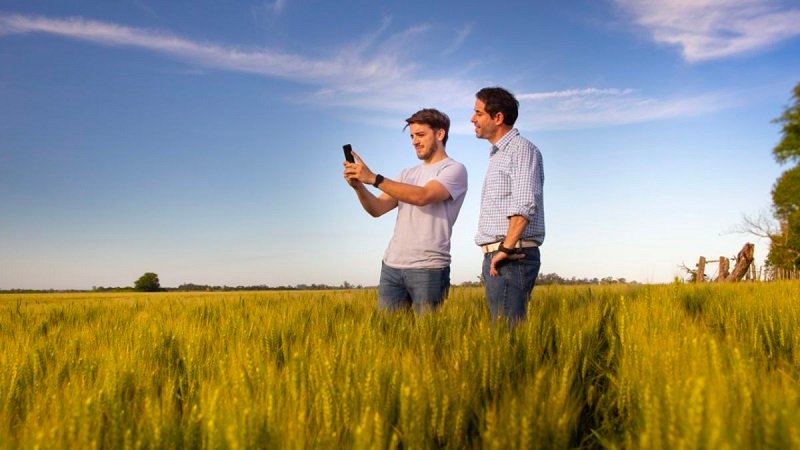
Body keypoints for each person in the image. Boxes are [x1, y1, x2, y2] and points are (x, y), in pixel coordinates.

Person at [343, 108, 468, 314]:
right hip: (391, 267)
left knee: (427, 339)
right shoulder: (405, 174)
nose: (414, 141)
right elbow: (377, 209)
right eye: (412, 136)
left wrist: (374, 179)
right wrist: (359, 187)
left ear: (440, 134)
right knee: (388, 338)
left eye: (420, 135)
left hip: (429, 268)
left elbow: (423, 196)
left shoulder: (454, 170)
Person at [471, 87, 544, 323]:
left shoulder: (521, 150)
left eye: (478, 113)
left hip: (511, 258)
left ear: (498, 117)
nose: (473, 119)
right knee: (503, 333)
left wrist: (505, 248)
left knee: (506, 336)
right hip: (502, 257)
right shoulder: (498, 154)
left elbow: (524, 204)